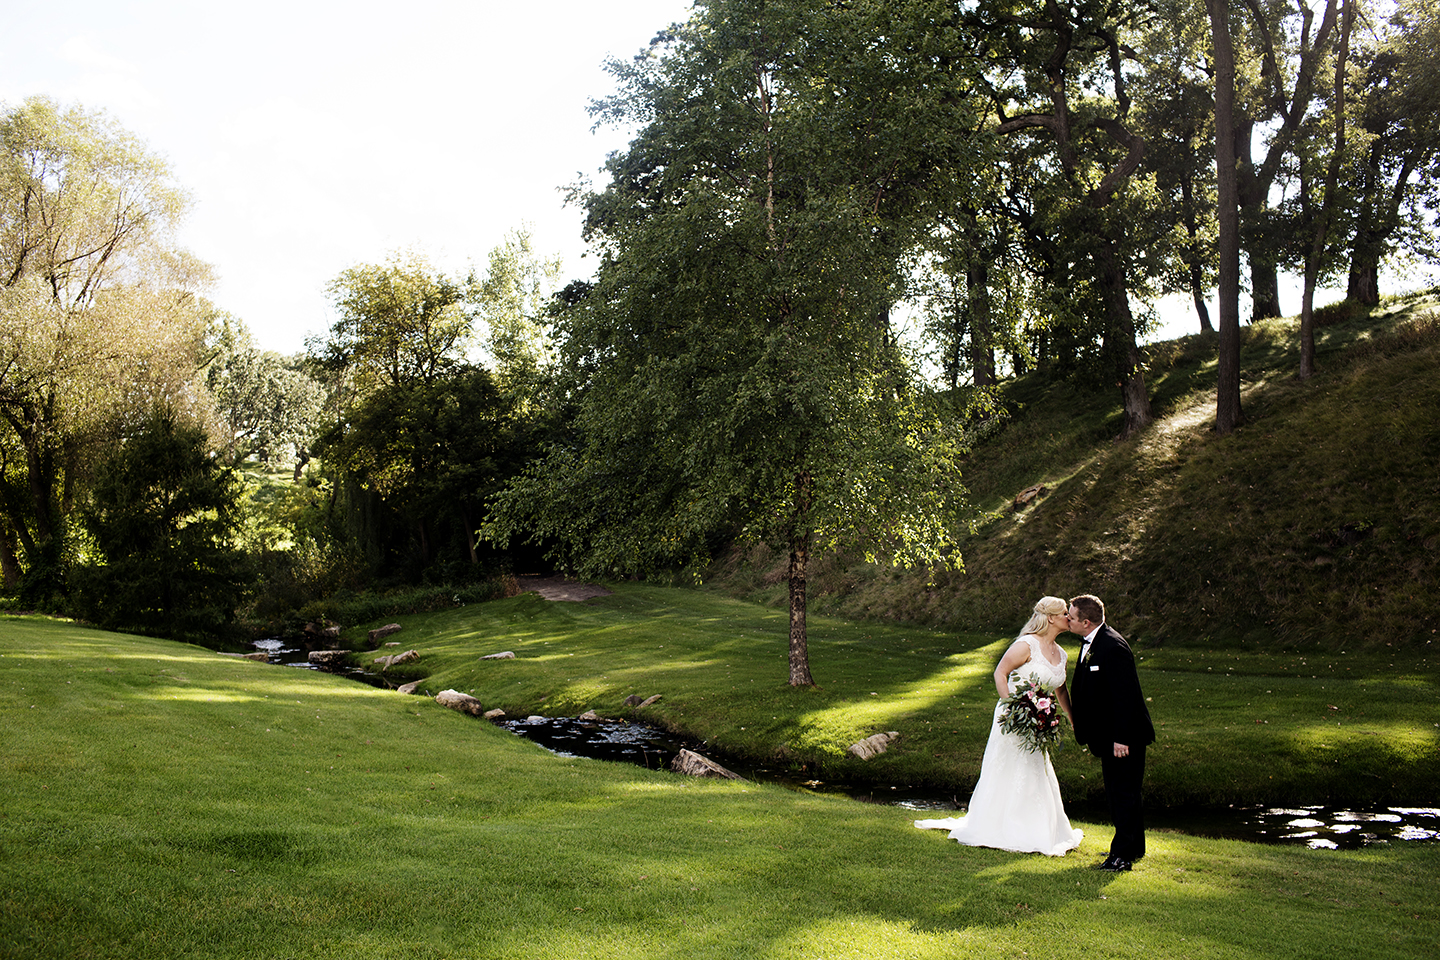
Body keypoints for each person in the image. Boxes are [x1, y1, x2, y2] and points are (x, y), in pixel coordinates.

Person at [915, 596, 1084, 856]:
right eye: (1064, 614)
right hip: (1014, 718)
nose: (1068, 618)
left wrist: (1071, 718)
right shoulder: (1027, 644)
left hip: (1038, 718)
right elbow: (1000, 673)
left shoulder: (1061, 654)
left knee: (1036, 767)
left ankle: (1039, 826)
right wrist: (1014, 707)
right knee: (1011, 766)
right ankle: (1003, 825)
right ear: (1050, 618)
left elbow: (1060, 690)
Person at [1065, 594, 1155, 872]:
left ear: (1086, 621)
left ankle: (1122, 856)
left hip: (1123, 738)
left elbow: (1124, 697)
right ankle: (1133, 846)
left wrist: (1121, 738)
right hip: (1108, 736)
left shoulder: (1112, 647)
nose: (1067, 619)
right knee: (1119, 792)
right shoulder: (1094, 642)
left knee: (1123, 793)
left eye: (1071, 616)